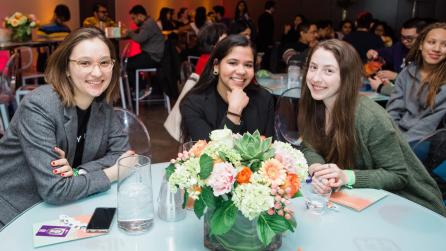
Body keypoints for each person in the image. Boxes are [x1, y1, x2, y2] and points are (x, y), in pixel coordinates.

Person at [0, 28, 133, 229]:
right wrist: (113, 173)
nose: (97, 72)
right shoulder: (39, 106)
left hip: (67, 211)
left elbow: (124, 155)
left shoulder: (101, 106)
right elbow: (56, 189)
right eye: (85, 63)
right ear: (66, 68)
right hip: (17, 214)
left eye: (104, 62)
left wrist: (78, 173)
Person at [297, 39, 446, 216]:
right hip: (359, 199)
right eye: (313, 67)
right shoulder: (316, 104)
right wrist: (319, 169)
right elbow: (309, 145)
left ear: (347, 76)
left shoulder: (369, 116)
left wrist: (346, 177)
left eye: (328, 70)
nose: (315, 78)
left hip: (410, 205)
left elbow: (398, 175)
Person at [180, 35, 274, 141]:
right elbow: (208, 155)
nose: (241, 71)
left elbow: (270, 148)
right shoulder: (194, 103)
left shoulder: (264, 98)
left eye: (248, 65)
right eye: (233, 63)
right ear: (216, 65)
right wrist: (234, 113)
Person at [386, 22, 446, 143]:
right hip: (397, 135)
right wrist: (390, 136)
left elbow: (428, 126)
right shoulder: (407, 72)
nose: (437, 49)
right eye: (431, 42)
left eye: (444, 45)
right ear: (420, 45)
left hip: (427, 142)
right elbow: (394, 110)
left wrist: (400, 144)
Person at [367, 18, 428, 95]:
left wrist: (396, 76)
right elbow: (380, 54)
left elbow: (420, 88)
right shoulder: (399, 46)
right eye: (402, 37)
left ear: (423, 37)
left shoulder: (429, 56)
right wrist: (371, 53)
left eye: (409, 38)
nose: (404, 41)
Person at [122, 5, 165, 98]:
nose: (134, 21)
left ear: (140, 16)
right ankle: (138, 89)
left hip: (152, 57)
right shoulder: (149, 22)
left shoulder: (147, 24)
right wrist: (130, 33)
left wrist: (129, 32)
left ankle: (140, 90)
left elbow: (139, 39)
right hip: (153, 56)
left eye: (134, 18)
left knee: (126, 63)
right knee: (128, 62)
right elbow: (139, 32)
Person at [36, 4, 71, 73]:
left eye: (64, 19)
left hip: (63, 59)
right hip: (48, 59)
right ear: (55, 15)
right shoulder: (43, 28)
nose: (62, 21)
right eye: (61, 18)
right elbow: (42, 49)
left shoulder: (66, 29)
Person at [257, 1, 276, 70]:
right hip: (266, 43)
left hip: (260, 42)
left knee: (261, 61)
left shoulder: (261, 16)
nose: (274, 9)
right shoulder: (269, 17)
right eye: (274, 7)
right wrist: (270, 43)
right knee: (266, 61)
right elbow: (268, 32)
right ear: (271, 8)